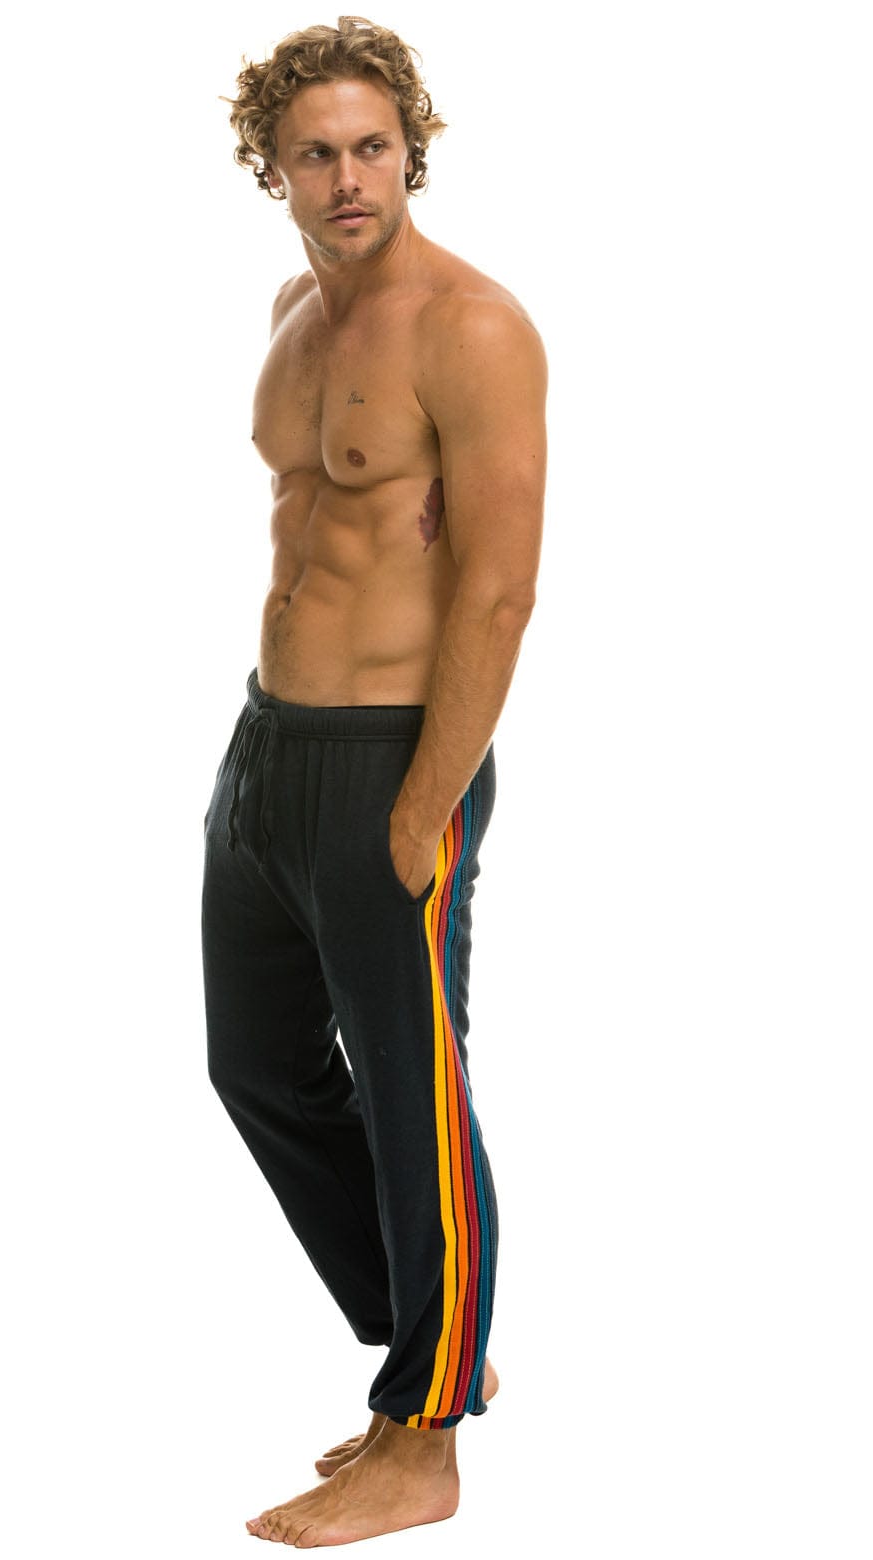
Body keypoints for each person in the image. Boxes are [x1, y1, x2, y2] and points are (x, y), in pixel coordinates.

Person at [201, 15, 547, 1547]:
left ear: (412, 148)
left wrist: (425, 805)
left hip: (395, 756)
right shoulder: (295, 309)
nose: (348, 178)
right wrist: (261, 763)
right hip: (270, 746)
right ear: (270, 168)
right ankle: (424, 1337)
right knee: (259, 1065)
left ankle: (427, 1434)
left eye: (371, 148)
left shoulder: (473, 328)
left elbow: (498, 590)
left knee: (414, 1097)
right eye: (315, 154)